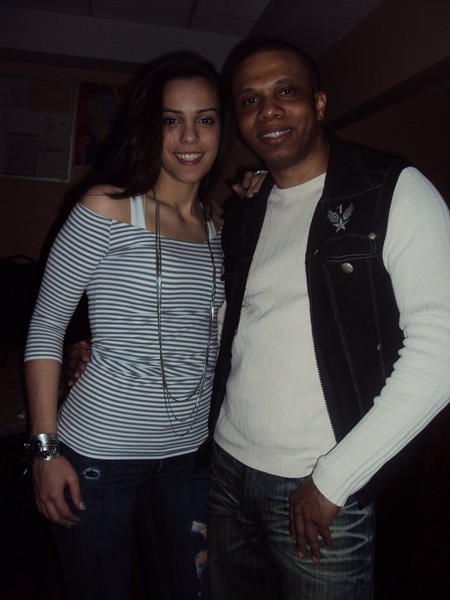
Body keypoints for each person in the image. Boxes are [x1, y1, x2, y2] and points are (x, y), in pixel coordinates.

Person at [206, 38, 450, 599]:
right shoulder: (246, 211)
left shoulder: (391, 190)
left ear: (318, 103)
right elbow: (232, 325)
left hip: (319, 486)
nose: (268, 110)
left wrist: (335, 479)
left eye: (285, 91)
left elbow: (440, 350)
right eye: (249, 100)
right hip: (226, 468)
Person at [24, 51, 229, 600]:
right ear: (148, 127)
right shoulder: (107, 208)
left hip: (190, 456)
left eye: (206, 119)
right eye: (171, 120)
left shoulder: (219, 223)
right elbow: (46, 326)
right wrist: (45, 451)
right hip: (98, 456)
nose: (190, 136)